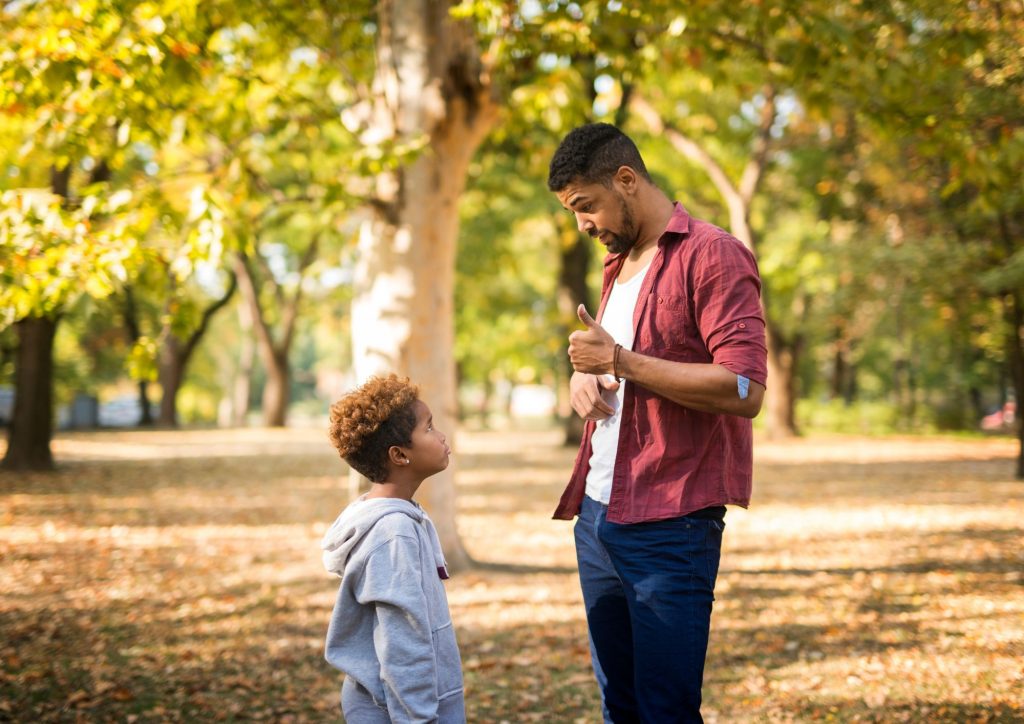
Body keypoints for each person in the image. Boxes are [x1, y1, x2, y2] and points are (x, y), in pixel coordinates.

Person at [548, 123, 768, 723]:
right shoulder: (618, 264)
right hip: (596, 516)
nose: (583, 225)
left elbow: (744, 388)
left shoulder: (712, 254)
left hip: (671, 523)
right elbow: (625, 373)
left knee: (666, 710)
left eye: (585, 206)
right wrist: (585, 382)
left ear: (626, 180)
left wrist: (619, 360)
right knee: (619, 704)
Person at [321, 374, 465, 723]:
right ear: (399, 454)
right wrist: (419, 718)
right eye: (429, 428)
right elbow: (403, 642)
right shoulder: (394, 533)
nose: (442, 435)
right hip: (401, 712)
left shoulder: (398, 518)